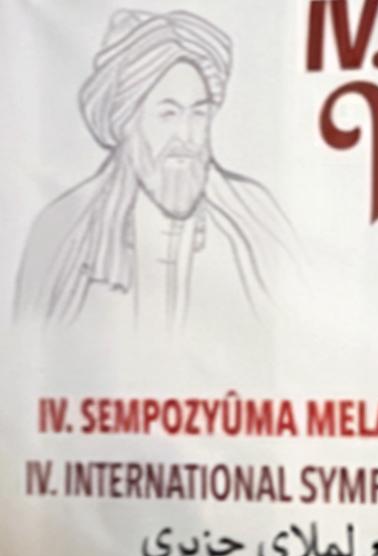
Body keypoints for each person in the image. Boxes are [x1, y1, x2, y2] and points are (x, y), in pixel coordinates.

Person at [12, 9, 300, 329]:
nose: (187, 137)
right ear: (128, 122)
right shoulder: (62, 227)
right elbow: (27, 344)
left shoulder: (256, 219)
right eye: (168, 114)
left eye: (198, 114)